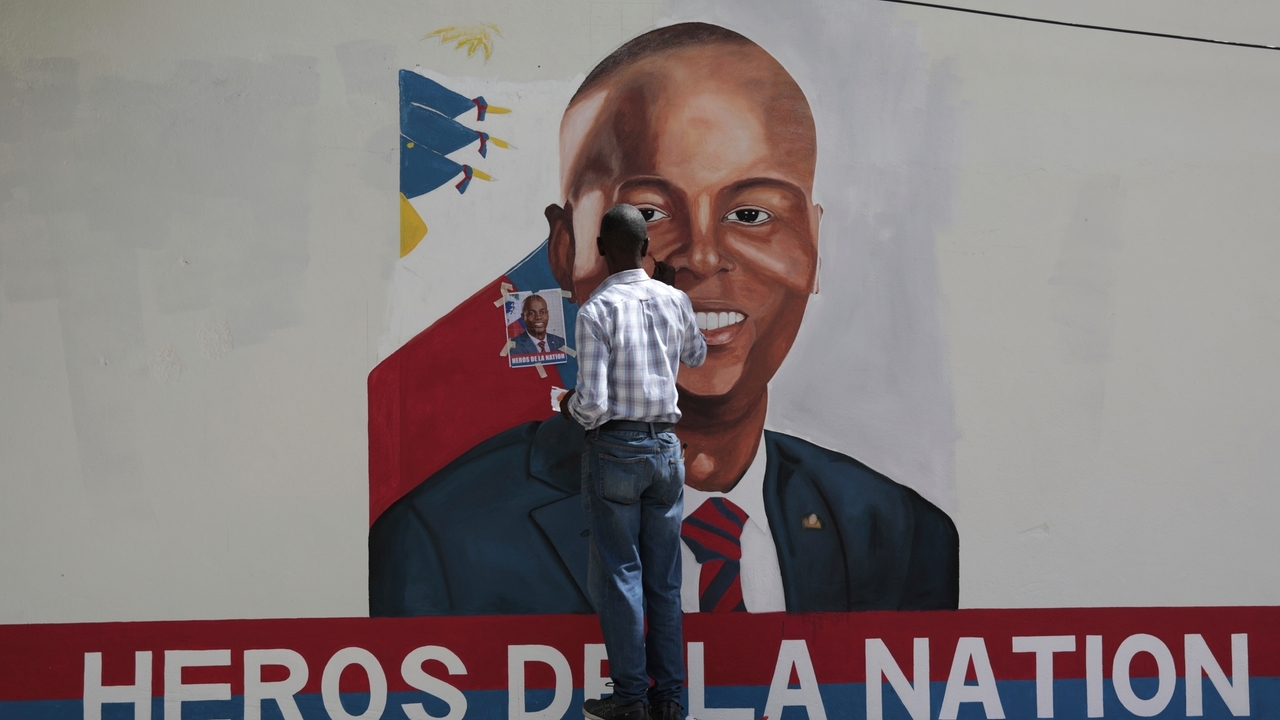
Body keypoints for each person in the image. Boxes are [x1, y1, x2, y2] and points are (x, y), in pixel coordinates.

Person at [369, 22, 958, 617]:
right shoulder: (440, 543)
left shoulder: (905, 540)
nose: (701, 255)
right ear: (565, 248)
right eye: (647, 213)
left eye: (752, 213)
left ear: (812, 246)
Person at [561, 204, 705, 720]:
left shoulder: (596, 310)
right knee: (664, 581)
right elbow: (695, 357)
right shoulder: (673, 300)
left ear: (600, 249)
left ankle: (630, 699)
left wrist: (567, 405)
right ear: (646, 248)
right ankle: (668, 699)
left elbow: (593, 405)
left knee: (621, 575)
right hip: (666, 449)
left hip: (616, 452)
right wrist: (674, 300)